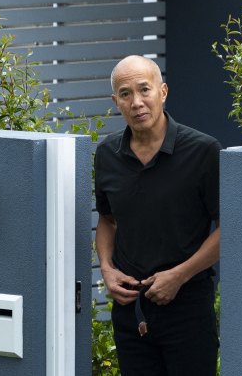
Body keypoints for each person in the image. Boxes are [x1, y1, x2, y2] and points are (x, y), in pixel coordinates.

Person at [94, 55, 222, 376]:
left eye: (144, 90)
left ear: (163, 92)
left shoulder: (203, 151)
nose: (137, 102)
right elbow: (107, 220)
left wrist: (178, 275)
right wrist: (107, 270)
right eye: (125, 94)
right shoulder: (107, 155)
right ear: (116, 102)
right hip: (130, 309)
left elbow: (229, 228)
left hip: (188, 308)